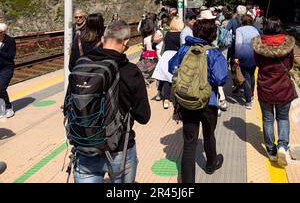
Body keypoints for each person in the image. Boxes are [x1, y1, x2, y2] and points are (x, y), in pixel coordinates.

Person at [72, 20, 151, 183]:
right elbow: (144, 116)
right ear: (126, 42)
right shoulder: (131, 71)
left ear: (103, 38)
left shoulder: (82, 64)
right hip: (119, 149)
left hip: (84, 146)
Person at [169, 19, 228, 181]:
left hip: (186, 101)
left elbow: (171, 67)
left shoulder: (184, 49)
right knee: (209, 134)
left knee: (189, 143)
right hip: (209, 102)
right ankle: (211, 164)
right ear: (213, 35)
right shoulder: (214, 53)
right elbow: (221, 78)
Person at [252, 17, 296, 166]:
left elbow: (257, 65)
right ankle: (283, 146)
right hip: (284, 88)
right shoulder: (287, 44)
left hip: (265, 88)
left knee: (267, 119)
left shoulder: (259, 45)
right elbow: (289, 66)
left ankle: (271, 151)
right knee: (283, 118)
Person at [235, 15, 260, 109]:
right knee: (252, 75)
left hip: (244, 54)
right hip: (254, 54)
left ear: (242, 21)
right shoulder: (255, 30)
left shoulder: (239, 30)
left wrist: (237, 56)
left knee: (246, 77)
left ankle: (248, 101)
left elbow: (238, 43)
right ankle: (252, 95)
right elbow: (258, 43)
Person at [158, 17, 184, 109]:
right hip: (176, 57)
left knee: (167, 79)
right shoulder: (181, 34)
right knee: (178, 79)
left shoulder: (167, 34)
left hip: (166, 56)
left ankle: (166, 100)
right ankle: (178, 100)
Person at [0, 24, 16, 118]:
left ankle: (9, 108)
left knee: (1, 88)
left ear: (4, 32)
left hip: (7, 68)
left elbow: (11, 56)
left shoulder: (10, 41)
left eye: (0, 32)